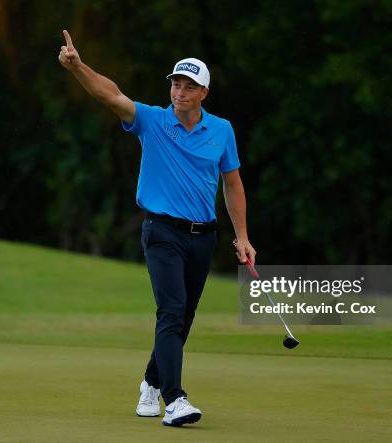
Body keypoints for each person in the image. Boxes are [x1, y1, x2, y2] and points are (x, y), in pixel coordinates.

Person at [58, 30, 256, 427]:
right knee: (171, 310)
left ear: (203, 93)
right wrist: (79, 67)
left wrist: (243, 236)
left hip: (204, 236)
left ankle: (150, 381)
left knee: (183, 318)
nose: (179, 91)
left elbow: (232, 184)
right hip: (162, 231)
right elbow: (110, 94)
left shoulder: (222, 131)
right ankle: (175, 398)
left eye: (188, 86)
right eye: (175, 84)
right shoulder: (151, 119)